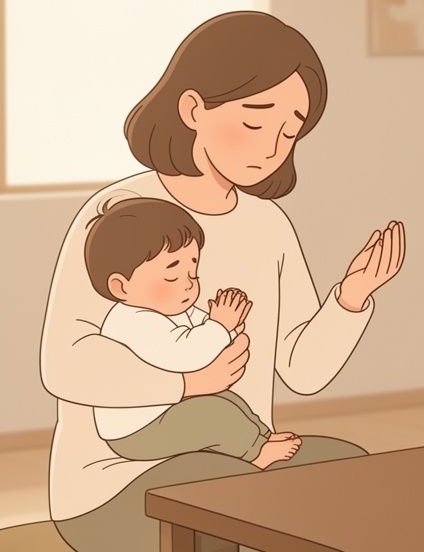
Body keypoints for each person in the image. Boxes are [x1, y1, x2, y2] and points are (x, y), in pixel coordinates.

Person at [41, 11, 406, 552]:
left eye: (290, 131)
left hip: (242, 459)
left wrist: (349, 300)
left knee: (351, 474)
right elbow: (66, 364)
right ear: (193, 109)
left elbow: (300, 370)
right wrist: (189, 385)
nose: (271, 147)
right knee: (214, 503)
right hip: (116, 483)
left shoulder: (269, 225)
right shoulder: (120, 214)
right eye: (256, 121)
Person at [84, 197, 302, 469]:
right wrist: (219, 326)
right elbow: (184, 354)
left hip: (168, 409)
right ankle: (256, 453)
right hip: (137, 431)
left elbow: (203, 333)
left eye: (193, 272)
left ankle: (262, 437)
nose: (188, 285)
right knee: (213, 414)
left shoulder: (169, 308)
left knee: (228, 400)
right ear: (121, 287)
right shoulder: (131, 322)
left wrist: (229, 325)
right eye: (172, 276)